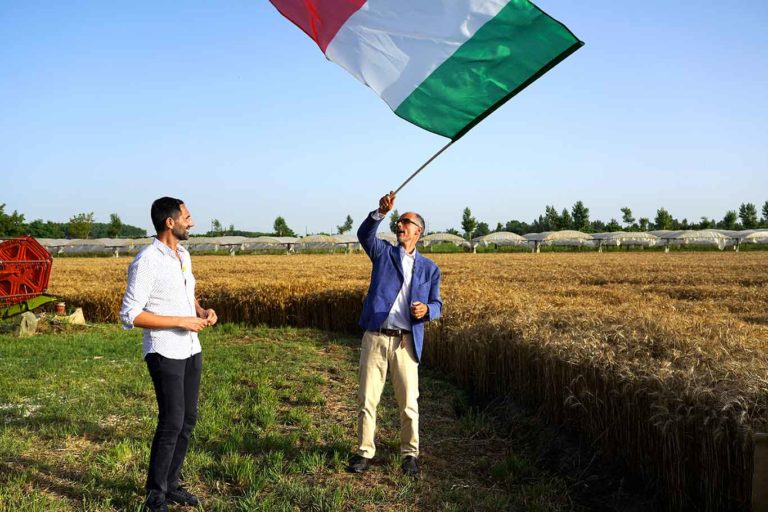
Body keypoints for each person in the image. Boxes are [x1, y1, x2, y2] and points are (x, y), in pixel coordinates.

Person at [119, 197, 217, 512]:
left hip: (191, 348)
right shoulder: (147, 259)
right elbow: (130, 315)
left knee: (188, 419)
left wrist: (202, 311)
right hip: (164, 349)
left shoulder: (183, 254)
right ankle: (155, 494)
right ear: (170, 222)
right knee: (172, 420)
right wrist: (180, 321)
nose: (193, 222)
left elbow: (186, 295)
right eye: (188, 216)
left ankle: (172, 484)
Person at [348, 191, 443, 478]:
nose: (399, 226)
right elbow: (364, 234)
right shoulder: (383, 253)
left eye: (405, 222)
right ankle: (365, 452)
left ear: (418, 231)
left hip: (406, 342)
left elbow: (438, 305)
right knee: (367, 399)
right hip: (376, 337)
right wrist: (380, 212)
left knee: (409, 403)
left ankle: (409, 455)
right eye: (398, 222)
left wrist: (425, 310)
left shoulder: (430, 268)